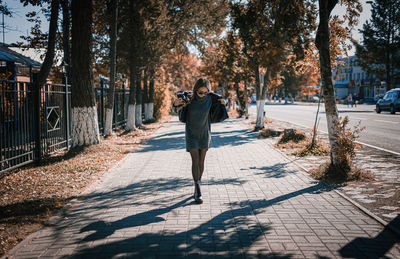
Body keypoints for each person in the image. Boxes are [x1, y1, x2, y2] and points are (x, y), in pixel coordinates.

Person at [173, 78, 226, 204]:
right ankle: (198, 189)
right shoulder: (189, 98)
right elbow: (177, 110)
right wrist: (175, 104)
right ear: (196, 90)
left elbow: (220, 110)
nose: (202, 95)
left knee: (201, 161)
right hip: (191, 133)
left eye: (205, 92)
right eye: (200, 92)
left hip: (205, 133)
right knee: (195, 160)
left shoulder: (211, 98)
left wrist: (224, 104)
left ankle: (198, 185)